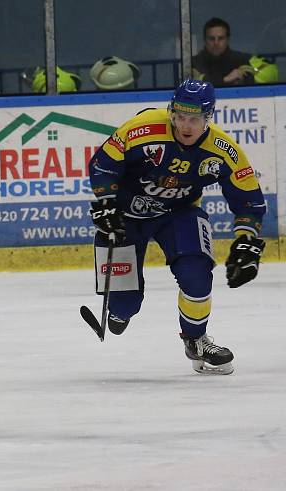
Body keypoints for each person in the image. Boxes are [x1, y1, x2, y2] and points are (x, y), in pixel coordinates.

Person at [87, 78, 266, 375]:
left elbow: (248, 198)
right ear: (171, 111)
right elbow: (103, 164)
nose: (185, 125)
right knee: (123, 306)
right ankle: (120, 308)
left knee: (197, 273)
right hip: (124, 217)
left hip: (179, 213)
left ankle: (195, 339)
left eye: (194, 119)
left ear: (209, 118)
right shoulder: (142, 128)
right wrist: (105, 202)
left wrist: (247, 240)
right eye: (180, 116)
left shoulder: (223, 150)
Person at [191, 18, 255, 87]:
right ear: (205, 40)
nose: (216, 43)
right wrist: (226, 79)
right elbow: (196, 85)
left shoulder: (241, 60)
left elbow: (250, 82)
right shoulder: (194, 63)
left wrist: (242, 80)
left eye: (221, 38)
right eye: (211, 39)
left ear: (227, 40)